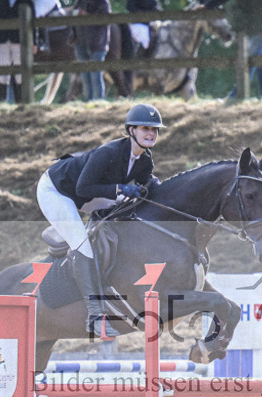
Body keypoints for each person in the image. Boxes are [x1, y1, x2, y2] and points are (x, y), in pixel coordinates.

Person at [36, 104, 165, 337]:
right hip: (57, 191)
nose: (151, 134)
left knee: (126, 209)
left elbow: (144, 191)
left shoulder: (145, 161)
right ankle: (95, 316)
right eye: (146, 128)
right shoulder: (109, 152)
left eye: (155, 130)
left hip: (88, 193)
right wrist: (120, 188)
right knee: (83, 248)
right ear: (131, 130)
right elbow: (83, 188)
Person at [201, 0, 262, 99]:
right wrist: (206, 5)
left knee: (250, 56)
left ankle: (236, 94)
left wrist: (207, 6)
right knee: (259, 57)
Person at [0, 0, 35, 102]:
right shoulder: (1, 2)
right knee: (2, 74)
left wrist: (34, 42)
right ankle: (2, 102)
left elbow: (33, 21)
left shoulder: (27, 1)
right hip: (1, 41)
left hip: (19, 41)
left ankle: (21, 103)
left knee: (20, 75)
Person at [73, 0, 111, 101]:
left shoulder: (102, 2)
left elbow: (106, 19)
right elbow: (73, 17)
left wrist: (89, 15)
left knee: (96, 75)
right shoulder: (80, 2)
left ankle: (98, 101)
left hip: (97, 42)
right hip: (81, 41)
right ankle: (87, 101)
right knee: (85, 76)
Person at [120, 0, 159, 95]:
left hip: (149, 22)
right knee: (142, 36)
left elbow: (155, 6)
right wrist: (144, 16)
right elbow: (130, 6)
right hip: (137, 22)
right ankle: (136, 62)